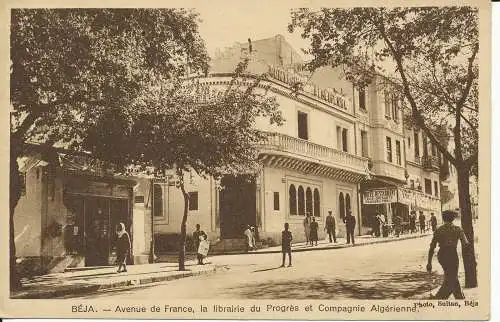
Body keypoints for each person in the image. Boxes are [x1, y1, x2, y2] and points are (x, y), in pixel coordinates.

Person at [426, 210, 469, 299]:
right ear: (453, 218)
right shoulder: (458, 229)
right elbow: (466, 244)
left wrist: (429, 262)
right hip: (452, 255)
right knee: (452, 277)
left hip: (442, 255)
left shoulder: (439, 230)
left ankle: (459, 296)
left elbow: (432, 247)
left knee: (451, 276)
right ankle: (440, 298)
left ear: (443, 218)